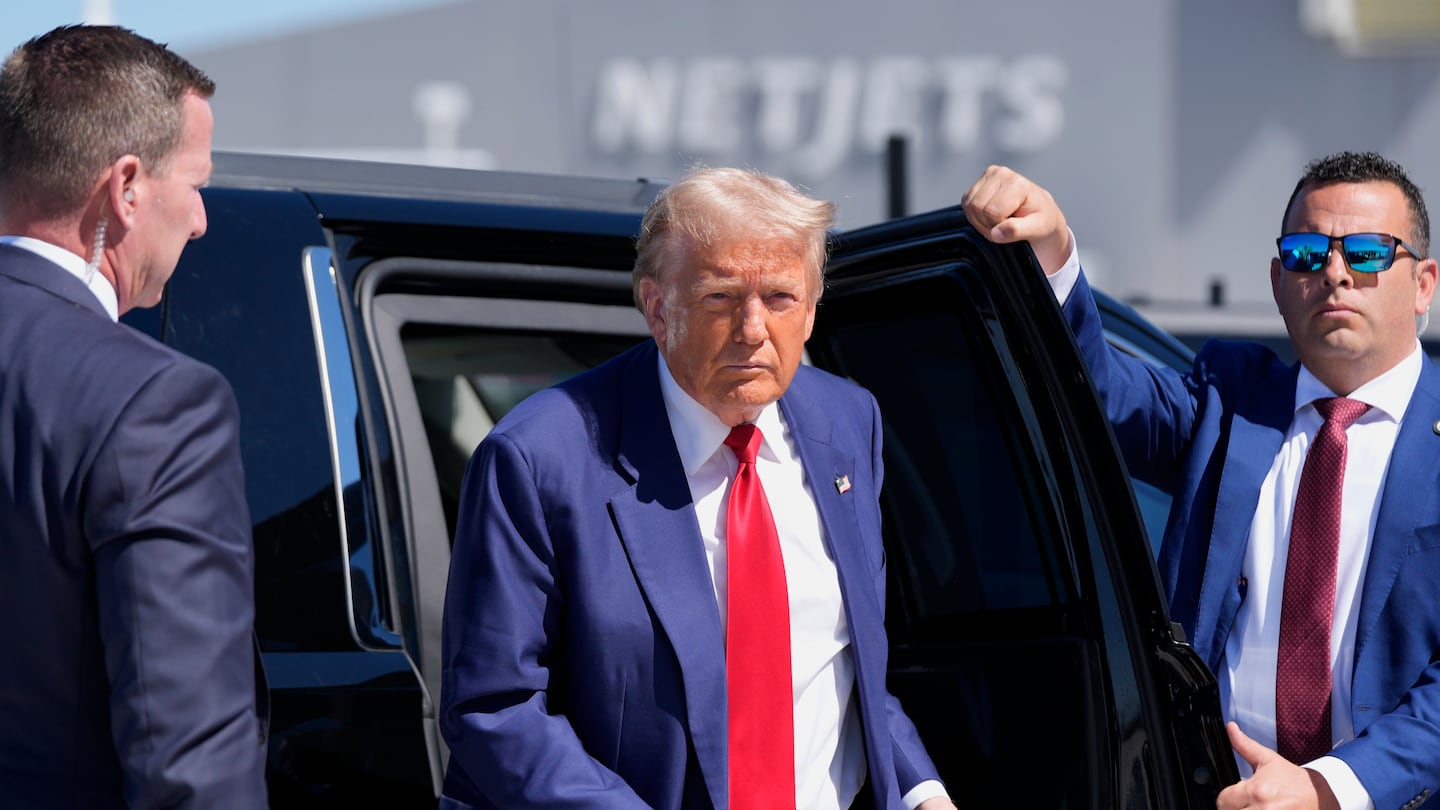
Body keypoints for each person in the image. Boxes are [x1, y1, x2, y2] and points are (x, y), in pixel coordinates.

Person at [440, 167, 957, 809]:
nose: (752, 329)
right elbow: (496, 708)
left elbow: (845, 663)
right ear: (658, 307)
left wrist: (921, 791)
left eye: (779, 298)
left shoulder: (847, 423)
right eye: (720, 298)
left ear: (813, 309)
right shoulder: (540, 456)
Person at [962, 152, 1440, 810]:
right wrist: (1053, 249)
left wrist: (1327, 788)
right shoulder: (1230, 400)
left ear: (1423, 283)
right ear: (1278, 281)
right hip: (1216, 795)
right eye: (1306, 253)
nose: (1335, 273)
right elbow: (1098, 393)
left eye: (1366, 252)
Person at [0, 25, 268, 809]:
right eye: (196, 185)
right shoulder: (153, 403)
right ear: (125, 189)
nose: (201, 220)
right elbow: (188, 762)